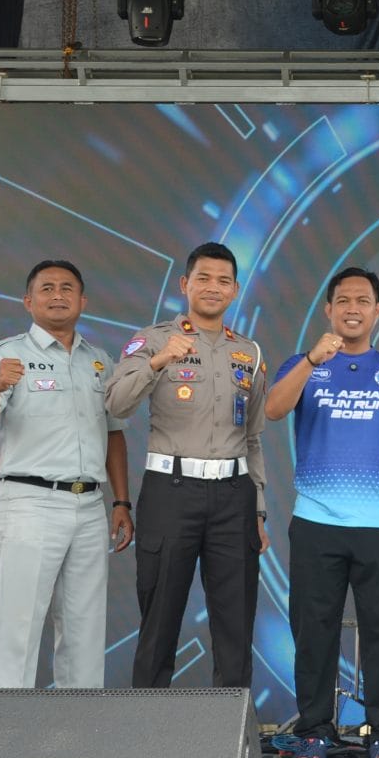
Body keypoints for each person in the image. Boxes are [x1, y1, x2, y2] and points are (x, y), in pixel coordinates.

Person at [265, 267, 379, 758]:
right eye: (343, 300)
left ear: (377, 310)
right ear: (329, 309)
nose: (352, 308)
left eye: (362, 300)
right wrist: (313, 359)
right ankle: (315, 736)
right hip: (317, 521)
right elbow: (273, 409)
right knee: (313, 632)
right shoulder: (304, 364)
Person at [104, 242, 269, 691]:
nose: (213, 287)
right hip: (171, 491)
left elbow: (252, 437)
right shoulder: (153, 339)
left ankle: (231, 725)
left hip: (234, 496)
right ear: (185, 284)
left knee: (235, 623)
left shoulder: (249, 352)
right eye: (203, 278)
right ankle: (147, 725)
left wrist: (258, 509)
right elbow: (115, 403)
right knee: (160, 618)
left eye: (223, 281)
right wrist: (158, 362)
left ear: (234, 290)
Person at [0, 260, 134, 690]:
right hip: (29, 502)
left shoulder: (100, 361)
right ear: (28, 301)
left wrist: (120, 501)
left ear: (83, 301)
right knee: (17, 627)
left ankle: (78, 728)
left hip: (89, 505)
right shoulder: (6, 355)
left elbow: (113, 434)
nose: (57, 295)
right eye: (47, 288)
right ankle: (5, 727)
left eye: (67, 288)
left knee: (84, 629)